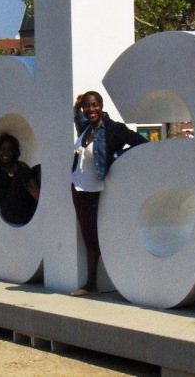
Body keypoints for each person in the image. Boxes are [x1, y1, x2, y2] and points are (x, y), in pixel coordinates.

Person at [69, 91, 146, 296]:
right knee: (87, 235)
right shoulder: (85, 128)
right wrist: (77, 105)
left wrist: (116, 157)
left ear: (101, 106)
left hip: (96, 191)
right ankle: (91, 283)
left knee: (93, 236)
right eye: (87, 106)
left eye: (94, 105)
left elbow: (140, 143)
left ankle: (91, 284)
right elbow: (77, 117)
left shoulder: (112, 129)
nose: (90, 109)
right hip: (79, 188)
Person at [0, 134, 40, 225]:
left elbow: (30, 182)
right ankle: (43, 201)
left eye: (10, 150)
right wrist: (12, 190)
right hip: (11, 211)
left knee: (38, 169)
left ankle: (43, 200)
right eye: (3, 149)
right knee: (22, 172)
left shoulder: (21, 165)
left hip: (27, 207)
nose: (6, 153)